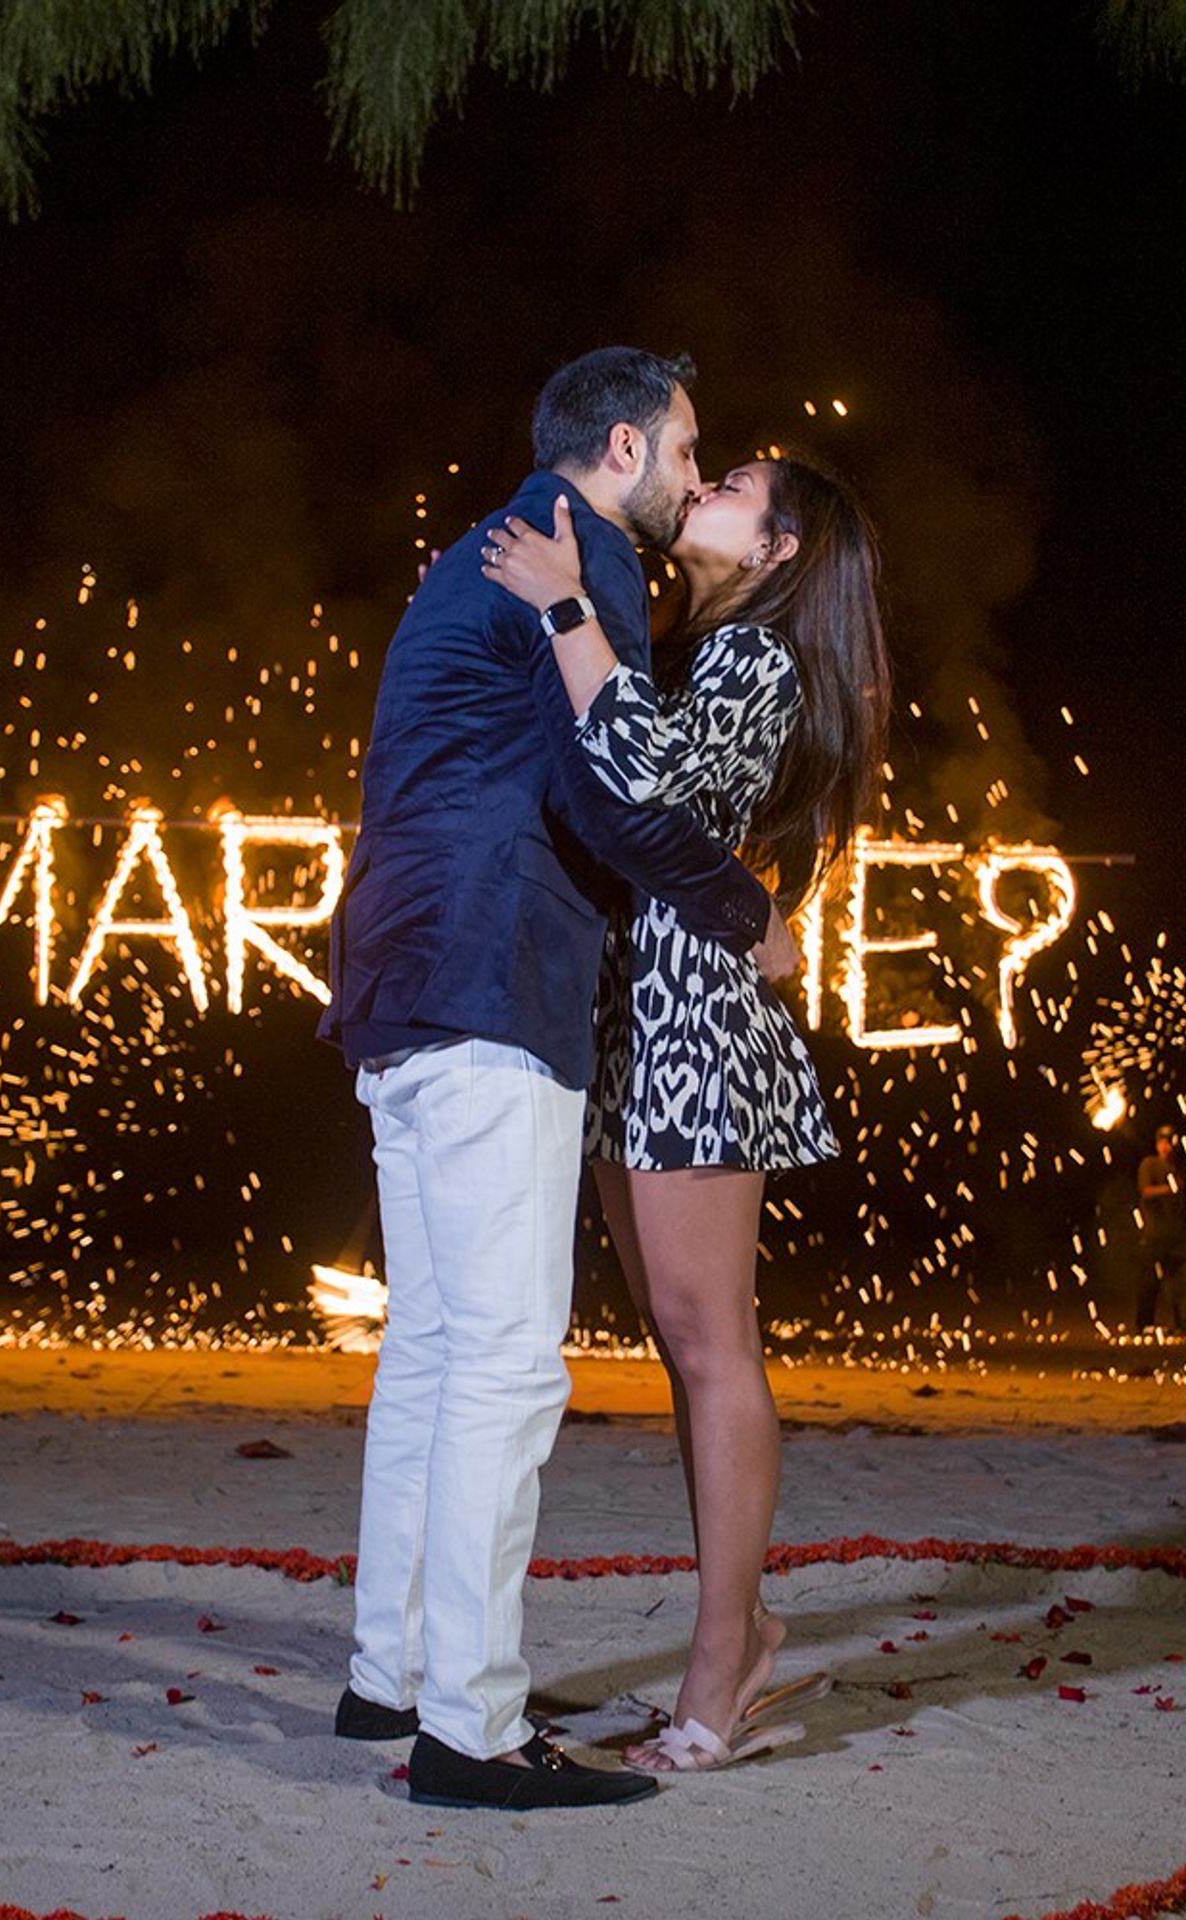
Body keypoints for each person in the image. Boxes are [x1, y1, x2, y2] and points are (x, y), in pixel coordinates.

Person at [318, 347, 799, 1811]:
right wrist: (748, 911)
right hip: (492, 973)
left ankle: (391, 1675)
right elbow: (615, 797)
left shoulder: (481, 550)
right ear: (625, 448)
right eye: (689, 449)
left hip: (396, 970)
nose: (694, 476)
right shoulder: (580, 560)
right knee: (508, 1362)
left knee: (430, 1347)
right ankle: (469, 1729)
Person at [480, 449, 891, 1772]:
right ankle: (739, 1628)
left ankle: (725, 1663)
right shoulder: (693, 648)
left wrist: (562, 604)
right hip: (635, 1018)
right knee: (682, 1338)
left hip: (693, 1024)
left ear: (778, 550)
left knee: (711, 1343)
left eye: (735, 486)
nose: (702, 484)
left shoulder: (759, 657)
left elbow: (646, 777)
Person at [1136, 1122, 1186, 1332]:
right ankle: (1144, 1324)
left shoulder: (1179, 1168)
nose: (1166, 1147)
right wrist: (1169, 1189)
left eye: (1170, 1143)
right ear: (1157, 1145)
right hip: (1153, 1234)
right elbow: (1146, 1191)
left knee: (1177, 1282)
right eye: (1162, 1142)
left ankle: (1182, 1323)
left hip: (1174, 1234)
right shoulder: (1149, 1164)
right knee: (1150, 1281)